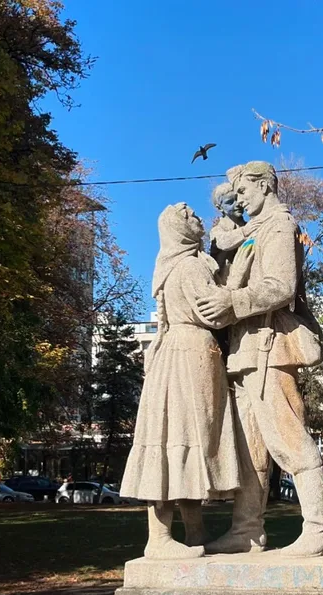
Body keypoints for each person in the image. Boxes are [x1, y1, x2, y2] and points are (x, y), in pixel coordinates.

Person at [197, 161, 323, 558]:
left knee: (288, 439)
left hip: (270, 348)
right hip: (246, 353)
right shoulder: (252, 231)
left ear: (263, 185)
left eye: (243, 190)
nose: (239, 199)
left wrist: (231, 301)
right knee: (250, 451)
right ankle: (247, 532)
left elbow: (280, 287)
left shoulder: (279, 225)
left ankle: (320, 528)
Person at [120, 203, 239, 559]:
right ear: (178, 229)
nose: (197, 217)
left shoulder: (183, 264)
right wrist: (239, 294)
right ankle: (158, 538)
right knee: (177, 437)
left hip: (188, 355)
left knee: (188, 441)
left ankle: (195, 532)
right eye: (189, 217)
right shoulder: (188, 267)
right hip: (188, 356)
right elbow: (213, 312)